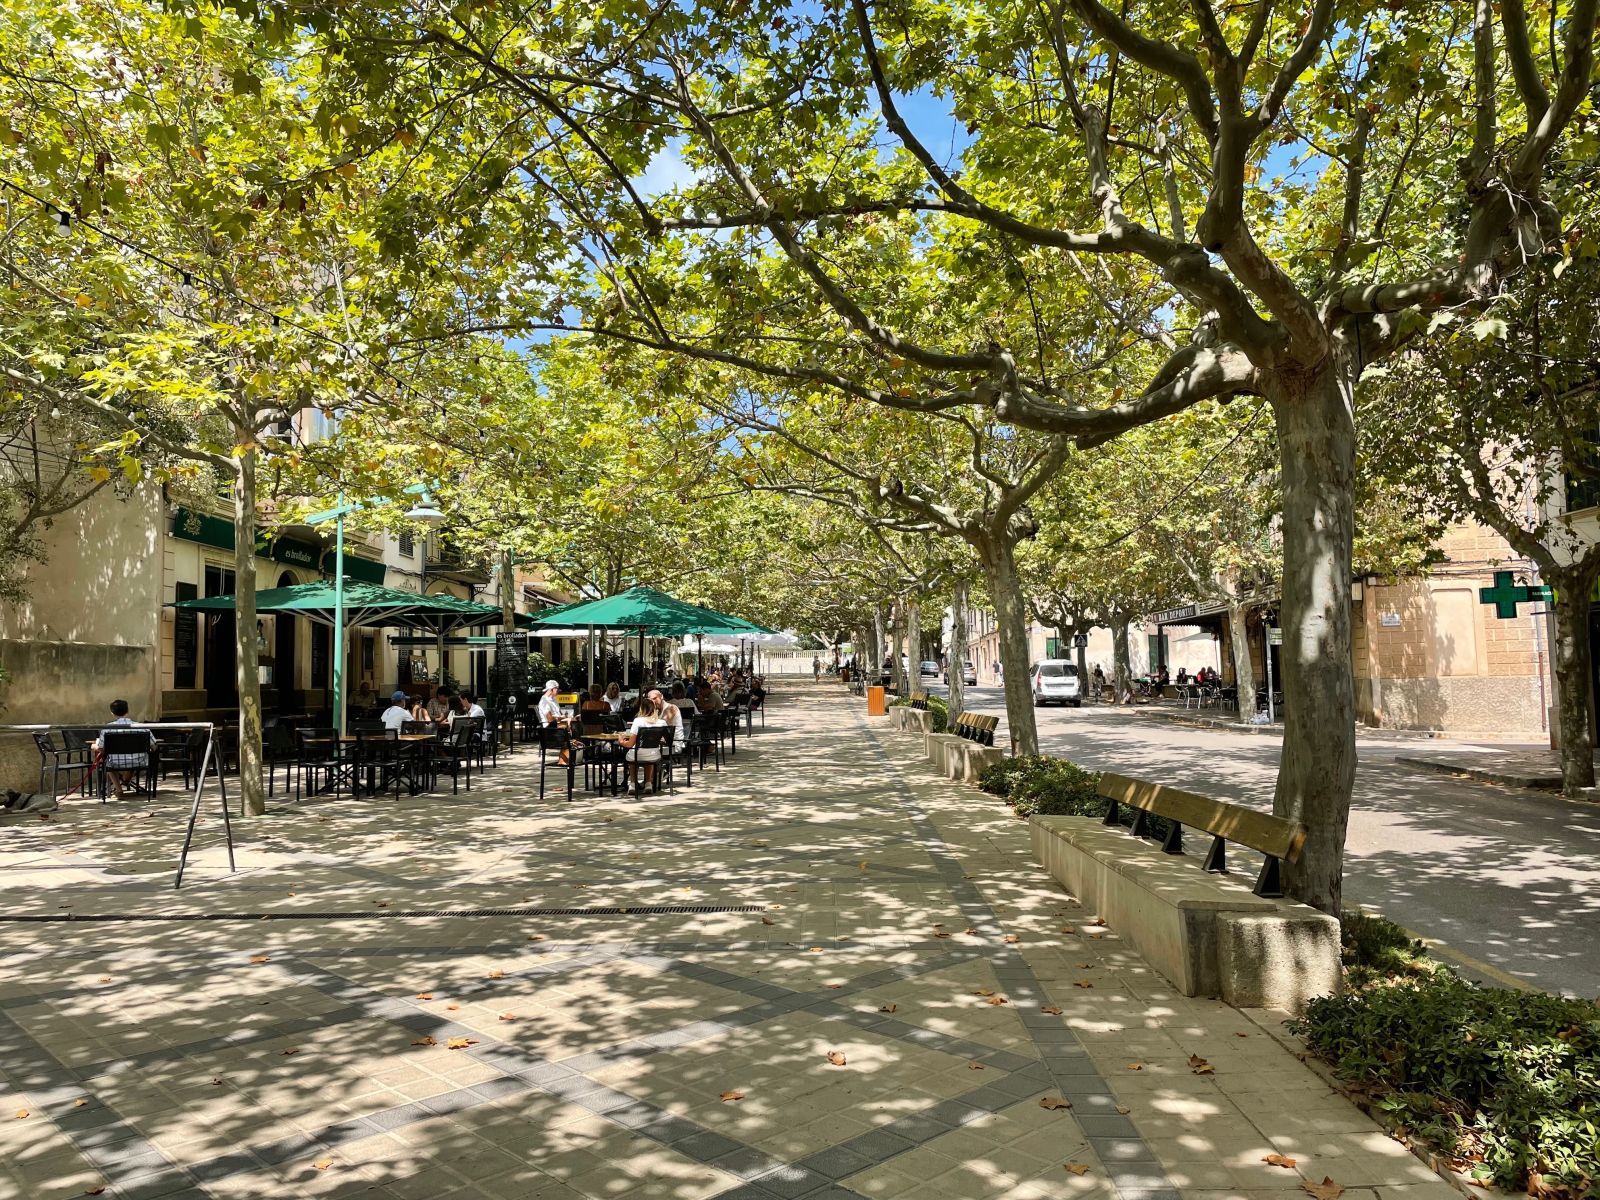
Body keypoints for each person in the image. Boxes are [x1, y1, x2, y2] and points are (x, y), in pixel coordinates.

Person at [95, 699, 152, 800]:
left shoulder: (107, 728)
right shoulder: (141, 727)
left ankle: (119, 789)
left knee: (108, 760)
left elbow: (101, 748)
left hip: (115, 763)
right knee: (134, 758)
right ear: (127, 710)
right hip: (139, 762)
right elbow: (154, 745)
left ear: (112, 713)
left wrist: (94, 746)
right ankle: (126, 779)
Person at [619, 692, 668, 792]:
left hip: (638, 754)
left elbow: (630, 744)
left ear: (641, 709)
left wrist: (621, 741)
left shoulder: (638, 721)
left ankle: (632, 784)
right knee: (648, 754)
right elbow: (668, 740)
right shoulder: (662, 722)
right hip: (654, 755)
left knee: (633, 755)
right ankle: (648, 783)